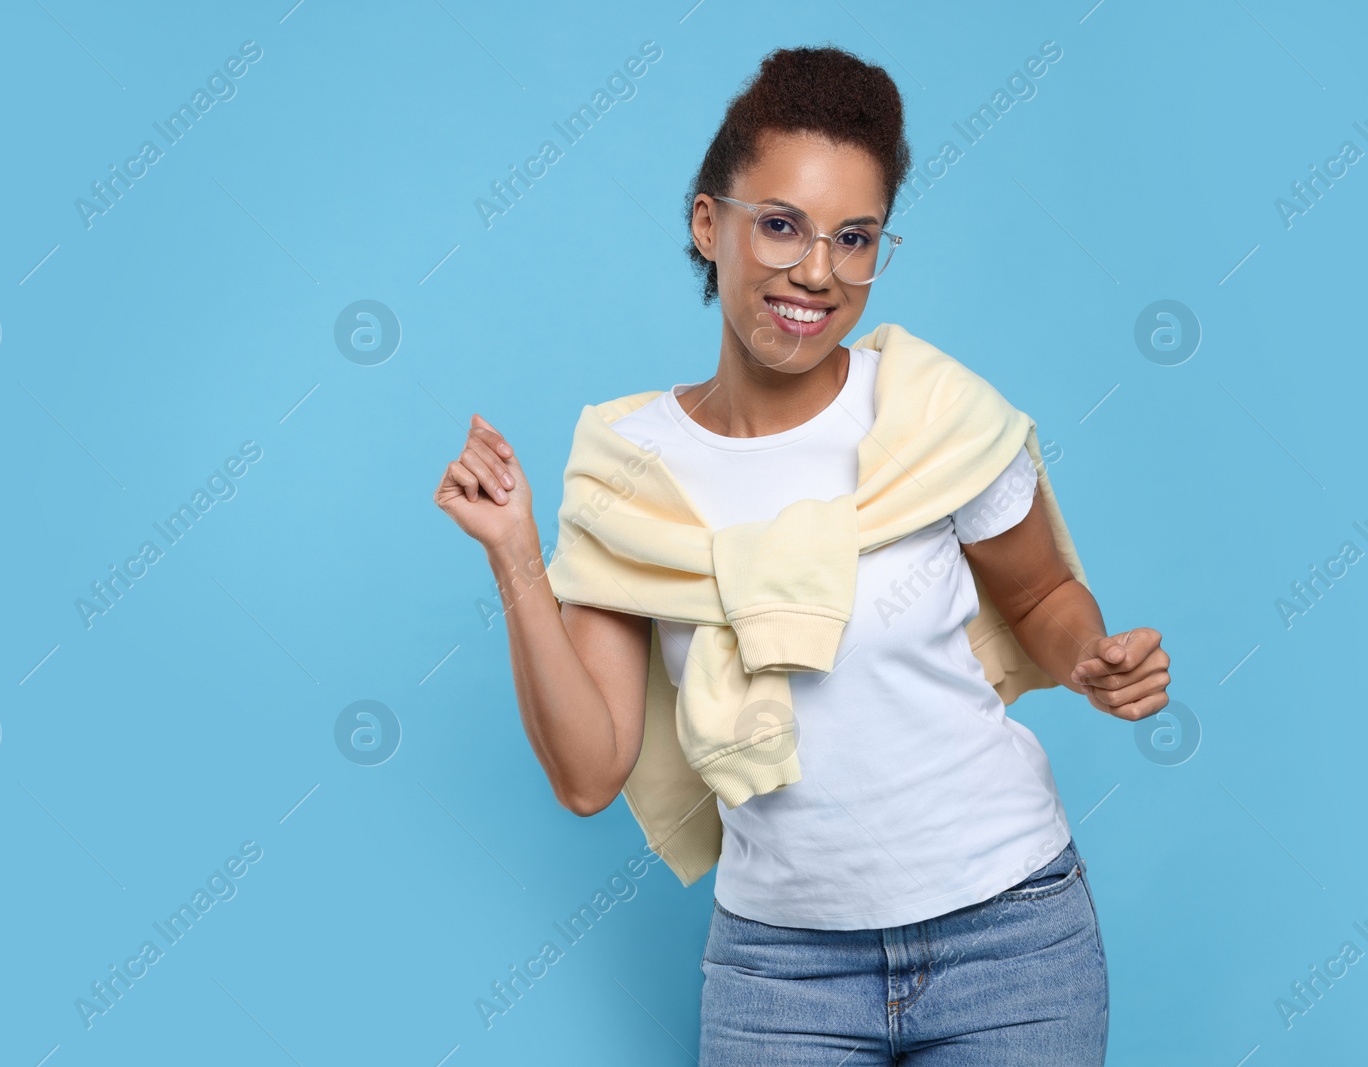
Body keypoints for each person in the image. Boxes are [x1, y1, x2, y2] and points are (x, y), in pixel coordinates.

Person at [434, 45, 1169, 1067]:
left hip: (1011, 934)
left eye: (853, 238)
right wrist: (516, 558)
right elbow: (587, 773)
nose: (816, 271)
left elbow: (1041, 589)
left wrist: (1088, 654)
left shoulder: (928, 415)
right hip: (781, 970)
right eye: (779, 224)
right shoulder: (627, 472)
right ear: (708, 224)